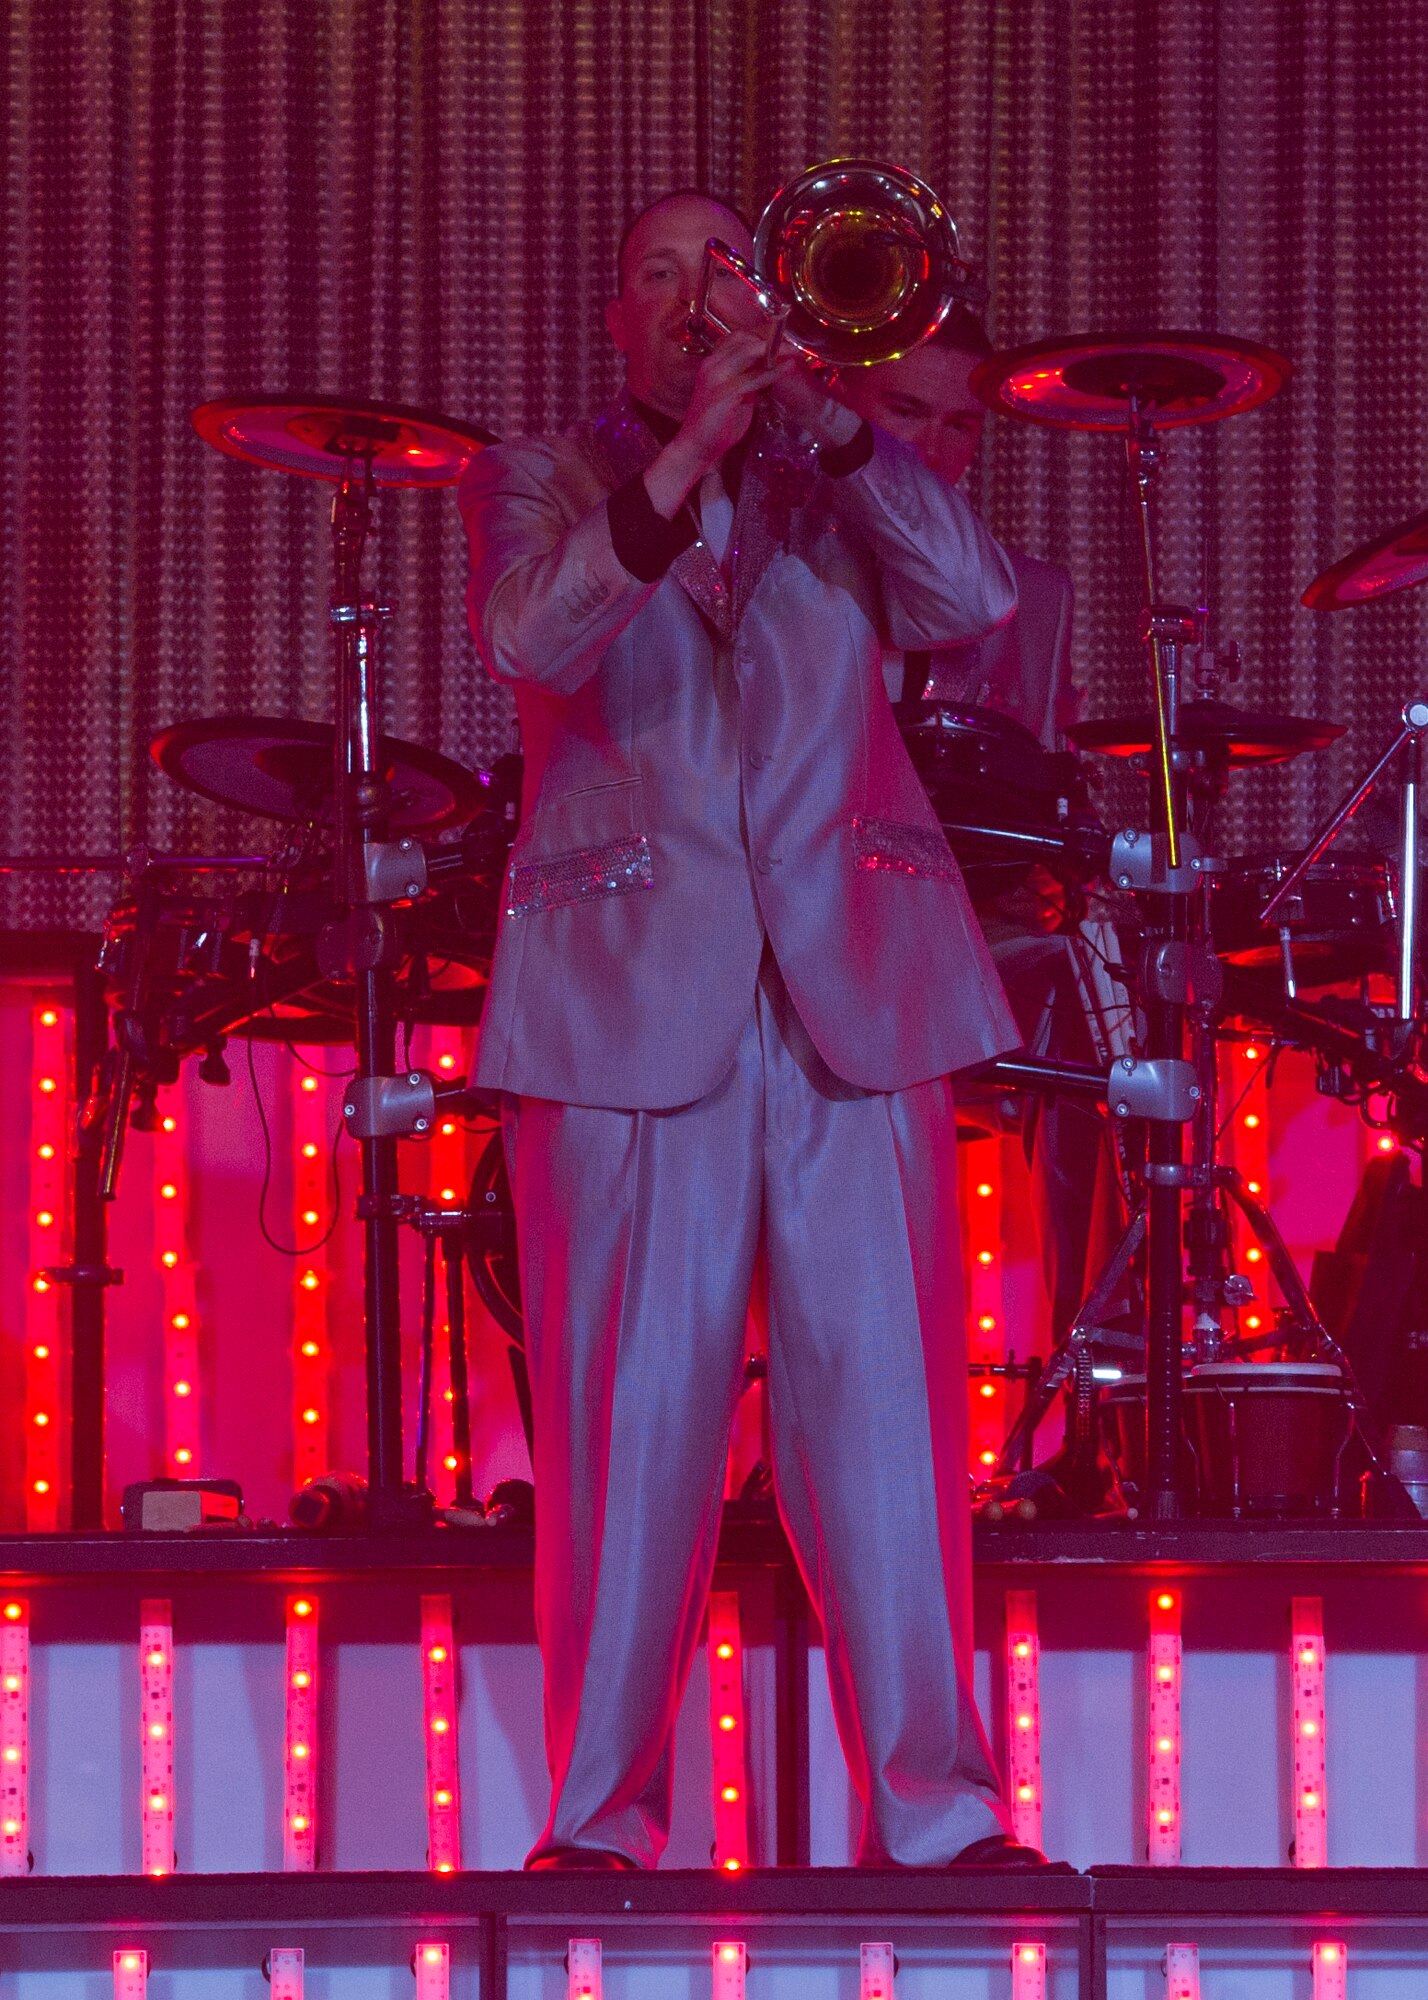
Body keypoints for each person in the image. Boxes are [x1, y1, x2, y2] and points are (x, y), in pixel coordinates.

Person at [458, 190, 1046, 1871]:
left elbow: (971, 598)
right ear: (613, 315)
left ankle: (937, 1819)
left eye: (718, 267)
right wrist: (687, 456)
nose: (688, 295)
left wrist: (827, 425)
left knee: (889, 1430)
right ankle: (601, 1824)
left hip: (851, 988)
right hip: (627, 995)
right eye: (654, 270)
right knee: (626, 1434)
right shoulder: (537, 475)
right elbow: (532, 633)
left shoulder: (835, 472)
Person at [838, 313, 1125, 1350]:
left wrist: (1049, 878)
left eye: (961, 424)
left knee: (1112, 977)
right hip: (811, 927)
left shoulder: (1030, 596)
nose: (933, 447)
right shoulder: (780, 567)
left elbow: (1041, 791)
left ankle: (1102, 1363)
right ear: (839, 402)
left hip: (965, 932)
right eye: (905, 411)